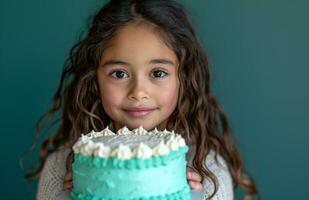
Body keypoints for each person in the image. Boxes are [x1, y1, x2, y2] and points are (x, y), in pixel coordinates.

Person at [23, 0, 259, 199]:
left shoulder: (208, 170)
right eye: (119, 74)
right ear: (94, 80)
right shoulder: (62, 167)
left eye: (158, 73)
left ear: (183, 79)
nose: (138, 91)